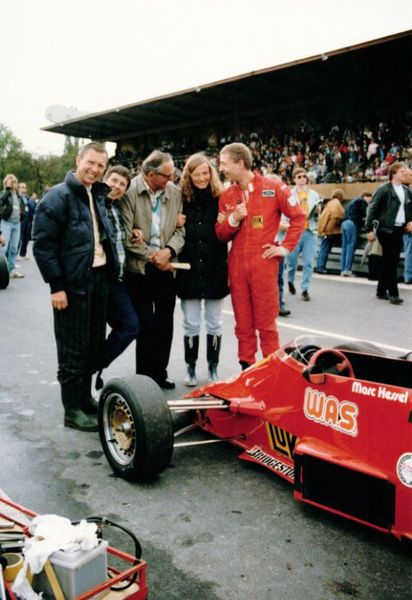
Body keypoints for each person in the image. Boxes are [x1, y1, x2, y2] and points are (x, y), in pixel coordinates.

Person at [32, 142, 119, 431]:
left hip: (99, 278)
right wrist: (56, 286)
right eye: (90, 162)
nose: (94, 169)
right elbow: (43, 245)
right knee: (73, 347)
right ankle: (72, 410)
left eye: (100, 165)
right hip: (71, 284)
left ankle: (84, 398)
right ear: (78, 159)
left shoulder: (99, 194)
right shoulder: (57, 196)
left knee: (93, 343)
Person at [216, 143, 305, 370]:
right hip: (237, 266)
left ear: (240, 163)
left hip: (264, 265)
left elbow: (298, 217)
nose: (221, 168)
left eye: (224, 163)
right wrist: (234, 219)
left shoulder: (274, 187)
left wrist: (284, 248)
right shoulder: (226, 195)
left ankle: (271, 371)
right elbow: (221, 234)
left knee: (266, 324)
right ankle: (247, 368)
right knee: (243, 324)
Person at [121, 150, 184, 389]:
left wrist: (168, 251)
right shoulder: (129, 192)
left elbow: (181, 230)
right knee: (145, 323)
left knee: (165, 323)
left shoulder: (174, 192)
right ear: (150, 174)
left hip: (167, 266)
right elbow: (127, 236)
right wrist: (153, 256)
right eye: (167, 176)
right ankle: (144, 377)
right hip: (140, 269)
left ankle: (160, 372)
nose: (171, 179)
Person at [176, 153, 228, 386]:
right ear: (189, 175)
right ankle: (190, 368)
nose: (202, 178)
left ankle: (213, 367)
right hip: (189, 270)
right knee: (191, 323)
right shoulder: (180, 198)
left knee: (215, 322)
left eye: (205, 173)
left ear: (211, 173)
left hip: (215, 269)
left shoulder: (221, 197)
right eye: (197, 174)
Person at [94, 165, 140, 390]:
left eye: (123, 184)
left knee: (130, 326)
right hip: (99, 279)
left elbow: (121, 236)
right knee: (97, 331)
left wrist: (135, 231)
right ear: (105, 179)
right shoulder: (94, 204)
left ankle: (93, 366)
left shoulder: (117, 207)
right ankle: (91, 372)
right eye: (114, 180)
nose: (117, 186)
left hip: (118, 280)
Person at [366, 162, 412, 304]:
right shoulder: (383, 189)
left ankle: (381, 290)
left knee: (390, 260)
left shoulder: (407, 191)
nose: (405, 173)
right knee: (391, 261)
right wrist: (369, 229)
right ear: (393, 174)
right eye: (402, 171)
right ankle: (393, 293)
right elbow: (372, 209)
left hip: (399, 229)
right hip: (385, 229)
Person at [286, 167, 322, 301]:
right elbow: (285, 213)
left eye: (304, 176)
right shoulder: (289, 194)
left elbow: (318, 214)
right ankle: (290, 280)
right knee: (292, 262)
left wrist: (318, 211)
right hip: (295, 232)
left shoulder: (314, 194)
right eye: (299, 177)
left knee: (308, 262)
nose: (302, 179)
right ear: (294, 179)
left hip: (309, 232)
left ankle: (305, 289)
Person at [340, 192, 372, 276]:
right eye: (370, 198)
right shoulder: (362, 201)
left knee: (344, 247)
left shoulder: (353, 201)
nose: (370, 200)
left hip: (344, 223)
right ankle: (347, 270)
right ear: (365, 196)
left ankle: (343, 269)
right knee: (351, 247)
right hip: (351, 224)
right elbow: (366, 214)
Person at [0, 174, 25, 278]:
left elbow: (22, 206)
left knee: (14, 248)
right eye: (8, 182)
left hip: (17, 223)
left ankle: (11, 270)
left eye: (12, 182)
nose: (10, 184)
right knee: (3, 247)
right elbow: (2, 200)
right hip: (6, 222)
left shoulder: (18, 195)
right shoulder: (4, 194)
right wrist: (7, 189)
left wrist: (22, 214)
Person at [316, 189, 345, 274]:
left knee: (323, 248)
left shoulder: (331, 204)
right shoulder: (338, 205)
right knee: (325, 249)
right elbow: (338, 217)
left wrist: (321, 230)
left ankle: (320, 267)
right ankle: (321, 267)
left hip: (328, 230)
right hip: (334, 230)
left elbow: (323, 218)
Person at [18, 182, 36, 259]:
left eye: (25, 187)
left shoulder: (27, 198)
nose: (24, 188)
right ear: (18, 188)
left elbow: (32, 207)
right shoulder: (17, 197)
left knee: (27, 236)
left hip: (28, 218)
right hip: (21, 218)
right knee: (19, 236)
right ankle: (15, 254)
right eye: (22, 187)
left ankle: (23, 254)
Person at [403, 168, 412, 284]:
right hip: (408, 227)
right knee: (409, 252)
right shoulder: (405, 192)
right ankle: (408, 276)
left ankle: (408, 276)